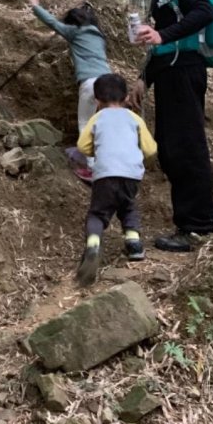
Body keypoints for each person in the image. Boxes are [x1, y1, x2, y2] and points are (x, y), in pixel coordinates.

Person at [129, 0, 213, 252]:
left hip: (184, 72)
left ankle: (197, 226)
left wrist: (162, 35)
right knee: (170, 147)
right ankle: (199, 217)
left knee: (186, 146)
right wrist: (145, 77)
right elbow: (164, 37)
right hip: (170, 71)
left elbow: (204, 12)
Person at [75, 73, 157, 286]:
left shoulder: (97, 118)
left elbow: (82, 147)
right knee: (128, 207)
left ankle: (93, 245)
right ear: (125, 96)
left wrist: (98, 150)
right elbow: (150, 149)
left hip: (104, 174)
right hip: (131, 174)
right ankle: (134, 244)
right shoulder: (134, 118)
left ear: (97, 100)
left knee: (98, 212)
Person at [28, 0, 111, 181]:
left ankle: (92, 169)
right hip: (109, 81)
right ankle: (107, 163)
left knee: (85, 124)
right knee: (103, 124)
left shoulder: (75, 32)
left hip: (90, 82)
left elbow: (52, 23)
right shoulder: (100, 37)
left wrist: (36, 6)